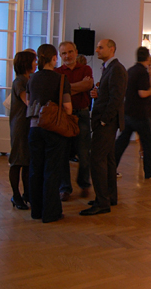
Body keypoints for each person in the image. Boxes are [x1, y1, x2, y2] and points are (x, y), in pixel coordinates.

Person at [26, 44, 72, 223]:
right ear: (54, 58)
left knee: (35, 169)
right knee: (52, 171)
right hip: (53, 128)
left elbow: (29, 102)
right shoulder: (61, 79)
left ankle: (36, 210)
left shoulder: (32, 79)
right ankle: (51, 212)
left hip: (34, 127)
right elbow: (67, 107)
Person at [80, 39, 126, 216]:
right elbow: (110, 94)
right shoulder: (110, 68)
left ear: (111, 49)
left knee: (97, 159)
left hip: (106, 122)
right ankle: (109, 196)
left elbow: (116, 98)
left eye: (101, 47)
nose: (97, 50)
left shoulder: (116, 69)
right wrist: (98, 94)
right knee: (107, 159)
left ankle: (102, 201)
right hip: (106, 121)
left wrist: (105, 120)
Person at [114, 47, 151, 180]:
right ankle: (150, 171)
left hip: (129, 111)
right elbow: (142, 93)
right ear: (147, 57)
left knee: (121, 142)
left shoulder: (131, 70)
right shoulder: (142, 72)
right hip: (139, 114)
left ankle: (110, 167)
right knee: (148, 143)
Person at [55, 41, 94, 202]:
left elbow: (88, 85)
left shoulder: (86, 69)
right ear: (60, 55)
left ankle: (84, 184)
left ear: (76, 52)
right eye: (64, 53)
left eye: (70, 52)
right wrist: (80, 86)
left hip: (82, 115)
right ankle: (65, 188)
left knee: (84, 153)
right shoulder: (57, 72)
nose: (67, 56)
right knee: (63, 153)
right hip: (64, 116)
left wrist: (67, 88)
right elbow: (58, 92)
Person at [8, 50, 37, 210]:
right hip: (20, 125)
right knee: (17, 161)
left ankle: (27, 194)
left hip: (26, 124)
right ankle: (16, 195)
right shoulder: (20, 81)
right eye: (34, 61)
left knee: (26, 161)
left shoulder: (26, 80)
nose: (36, 63)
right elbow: (28, 101)